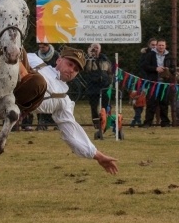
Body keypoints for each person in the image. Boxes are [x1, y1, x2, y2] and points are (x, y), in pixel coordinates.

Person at [20, 46, 118, 174]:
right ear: (58, 60)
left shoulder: (64, 100)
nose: (71, 70)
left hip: (16, 103)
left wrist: (98, 155)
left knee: (38, 82)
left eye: (76, 69)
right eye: (70, 64)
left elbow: (72, 131)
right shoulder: (35, 60)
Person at [141, 39, 175, 128]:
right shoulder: (150, 55)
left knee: (164, 102)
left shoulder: (169, 56)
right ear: (156, 46)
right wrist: (155, 69)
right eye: (159, 45)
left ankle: (165, 122)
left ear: (165, 46)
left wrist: (168, 70)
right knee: (151, 103)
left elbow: (173, 69)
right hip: (153, 82)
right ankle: (148, 122)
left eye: (163, 45)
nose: (161, 47)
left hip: (165, 82)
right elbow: (145, 66)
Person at [83, 43, 113, 131]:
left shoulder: (105, 59)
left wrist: (110, 81)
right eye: (93, 48)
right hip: (93, 86)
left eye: (97, 48)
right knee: (94, 106)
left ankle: (106, 122)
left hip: (105, 86)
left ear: (100, 49)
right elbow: (86, 70)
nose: (95, 50)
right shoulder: (87, 59)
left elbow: (110, 71)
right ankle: (96, 124)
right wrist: (90, 57)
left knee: (106, 105)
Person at [34, 43, 59, 130]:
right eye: (40, 47)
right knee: (40, 101)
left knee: (52, 102)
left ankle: (55, 122)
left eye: (43, 47)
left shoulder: (55, 54)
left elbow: (58, 66)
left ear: (48, 46)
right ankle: (41, 123)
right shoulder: (36, 54)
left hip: (52, 82)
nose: (41, 49)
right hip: (41, 81)